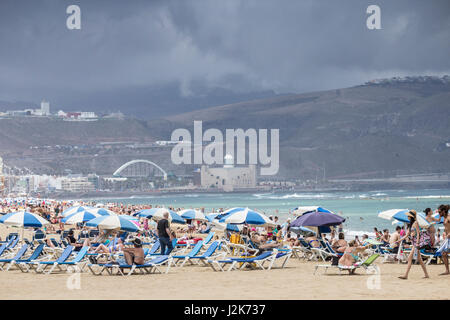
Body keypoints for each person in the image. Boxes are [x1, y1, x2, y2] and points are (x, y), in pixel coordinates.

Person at [398, 210, 430, 280]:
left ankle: (406, 275)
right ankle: (426, 274)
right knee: (420, 259)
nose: (407, 216)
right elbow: (407, 235)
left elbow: (418, 233)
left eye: (408, 215)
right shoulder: (410, 224)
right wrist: (399, 240)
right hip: (413, 243)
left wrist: (418, 243)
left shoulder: (415, 223)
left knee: (409, 258)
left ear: (411, 216)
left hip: (416, 243)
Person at [436, 204, 450, 275]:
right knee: (444, 254)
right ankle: (447, 270)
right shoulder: (444, 218)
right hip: (448, 239)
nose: (439, 214)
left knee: (444, 253)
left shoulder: (449, 217)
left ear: (444, 211)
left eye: (439, 212)